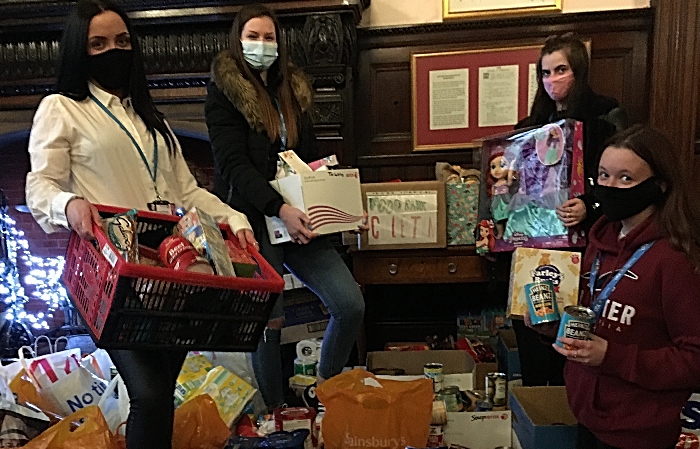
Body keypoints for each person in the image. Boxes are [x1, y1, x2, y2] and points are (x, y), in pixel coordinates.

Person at [24, 1, 256, 448]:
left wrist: (235, 217)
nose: (114, 51)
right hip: (111, 277)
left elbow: (188, 193)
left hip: (166, 274)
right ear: (79, 50)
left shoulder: (154, 122)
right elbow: (40, 184)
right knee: (149, 393)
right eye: (98, 44)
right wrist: (69, 203)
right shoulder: (62, 108)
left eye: (122, 41)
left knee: (161, 394)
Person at [204, 4, 365, 410]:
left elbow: (304, 155)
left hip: (299, 216)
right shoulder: (224, 94)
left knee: (349, 304)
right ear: (238, 41)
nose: (261, 44)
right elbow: (233, 165)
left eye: (269, 37)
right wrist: (278, 207)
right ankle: (276, 416)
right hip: (254, 219)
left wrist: (326, 184)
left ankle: (324, 392)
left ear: (280, 42)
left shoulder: (292, 89)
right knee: (267, 324)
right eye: (253, 36)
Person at [545, 125, 700, 449]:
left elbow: (693, 359)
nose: (610, 187)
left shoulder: (676, 260)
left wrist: (611, 356)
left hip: (639, 430)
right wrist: (550, 324)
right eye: (603, 175)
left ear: (659, 185)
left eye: (625, 178)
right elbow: (591, 315)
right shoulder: (598, 243)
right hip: (588, 414)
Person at [512, 33, 626, 387]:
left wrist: (590, 207)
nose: (551, 80)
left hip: (584, 246)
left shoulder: (606, 115)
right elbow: (515, 191)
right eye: (545, 73)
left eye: (560, 70)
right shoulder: (529, 125)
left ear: (579, 70)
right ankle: (536, 416)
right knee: (530, 328)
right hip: (534, 247)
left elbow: (623, 181)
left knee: (571, 337)